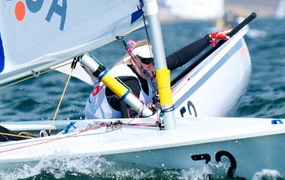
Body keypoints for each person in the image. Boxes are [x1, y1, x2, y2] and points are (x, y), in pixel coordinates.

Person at [84, 31, 229, 119]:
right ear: (133, 61)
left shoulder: (150, 68)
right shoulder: (129, 81)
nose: (151, 65)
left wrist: (209, 39)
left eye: (154, 61)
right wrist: (151, 110)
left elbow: (177, 59)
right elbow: (130, 121)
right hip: (98, 131)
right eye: (146, 61)